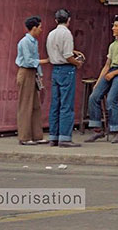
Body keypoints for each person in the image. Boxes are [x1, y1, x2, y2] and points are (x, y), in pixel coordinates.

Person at [85, 14, 118, 143]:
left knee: (111, 99)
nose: (113, 28)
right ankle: (97, 130)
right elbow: (107, 65)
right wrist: (98, 82)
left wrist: (114, 74)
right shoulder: (112, 45)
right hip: (111, 71)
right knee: (93, 97)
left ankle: (116, 131)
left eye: (116, 26)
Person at [46, 8, 84, 147]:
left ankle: (53, 136)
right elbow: (68, 56)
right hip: (67, 70)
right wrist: (78, 63)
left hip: (55, 69)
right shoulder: (66, 34)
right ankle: (65, 138)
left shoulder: (51, 34)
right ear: (69, 20)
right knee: (66, 105)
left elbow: (55, 52)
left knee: (55, 104)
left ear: (56, 20)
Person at [15, 15, 45, 144]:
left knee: (35, 106)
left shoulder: (34, 41)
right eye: (40, 27)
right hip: (26, 72)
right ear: (34, 28)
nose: (41, 30)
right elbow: (28, 61)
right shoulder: (25, 42)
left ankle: (37, 135)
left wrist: (40, 74)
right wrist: (44, 61)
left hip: (33, 73)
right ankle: (24, 137)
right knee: (26, 105)